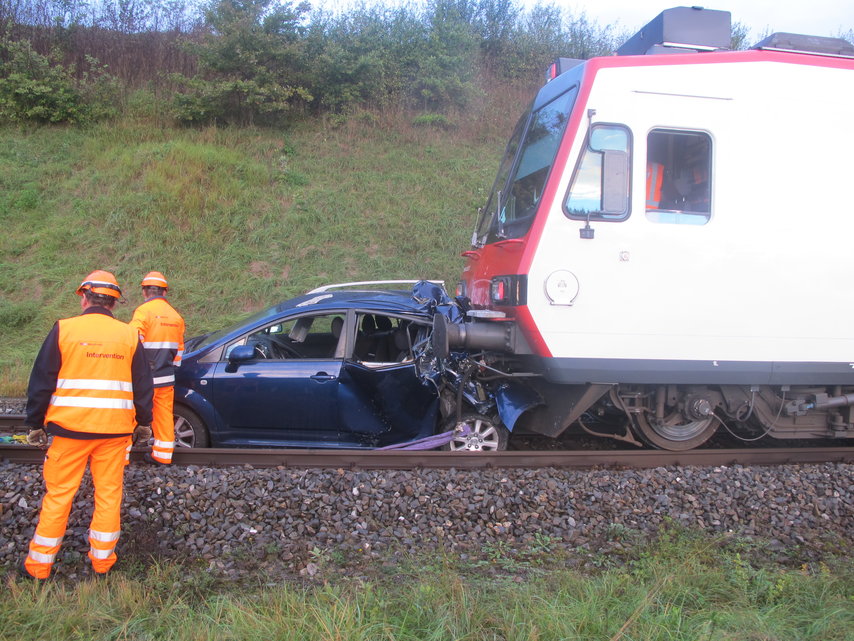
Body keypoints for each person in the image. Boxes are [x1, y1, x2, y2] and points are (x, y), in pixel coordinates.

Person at [22, 270, 153, 579]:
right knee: (108, 495)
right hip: (115, 433)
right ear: (114, 303)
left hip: (69, 432)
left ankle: (39, 567)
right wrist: (144, 423)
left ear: (84, 297)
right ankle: (102, 563)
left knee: (59, 496)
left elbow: (41, 381)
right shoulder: (128, 335)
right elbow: (142, 386)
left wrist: (35, 423)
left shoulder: (64, 329)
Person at [129, 271, 185, 465]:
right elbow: (179, 350)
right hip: (166, 377)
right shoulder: (176, 317)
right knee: (163, 417)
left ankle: (122, 456)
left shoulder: (143, 312)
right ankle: (163, 456)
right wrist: (169, 367)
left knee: (131, 415)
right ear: (164, 292)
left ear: (144, 291)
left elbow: (133, 340)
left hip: (144, 378)